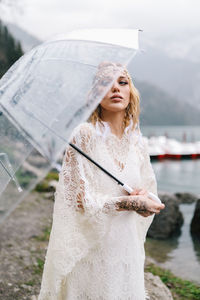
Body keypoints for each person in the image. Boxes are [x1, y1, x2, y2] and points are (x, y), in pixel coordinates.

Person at [38, 62, 165, 300]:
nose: (115, 88)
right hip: (93, 249)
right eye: (106, 83)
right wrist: (131, 204)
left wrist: (143, 197)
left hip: (126, 247)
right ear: (95, 94)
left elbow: (149, 190)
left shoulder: (138, 143)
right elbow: (79, 201)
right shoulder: (84, 135)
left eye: (122, 82)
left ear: (130, 92)